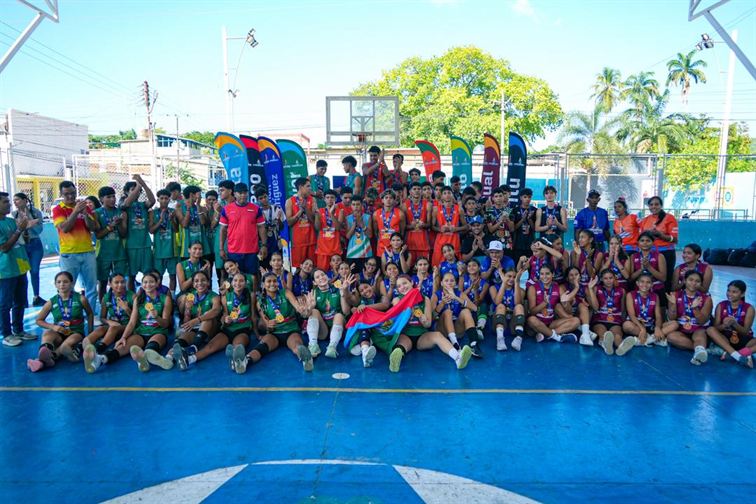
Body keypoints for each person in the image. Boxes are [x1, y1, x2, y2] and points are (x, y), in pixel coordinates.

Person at [388, 276, 472, 372]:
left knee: (437, 335)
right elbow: (397, 323)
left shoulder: (425, 299)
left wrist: (423, 319)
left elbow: (428, 325)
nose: (402, 287)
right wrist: (406, 317)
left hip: (422, 336)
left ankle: (458, 358)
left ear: (411, 282)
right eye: (399, 286)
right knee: (400, 347)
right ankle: (395, 361)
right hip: (405, 335)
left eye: (404, 283)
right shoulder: (397, 300)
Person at [28, 271, 94, 371]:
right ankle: (45, 351)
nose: (62, 284)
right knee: (47, 334)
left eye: (65, 282)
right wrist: (53, 327)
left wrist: (90, 332)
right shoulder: (51, 302)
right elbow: (39, 320)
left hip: (76, 332)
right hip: (59, 332)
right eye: (58, 282)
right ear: (55, 284)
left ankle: (43, 360)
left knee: (65, 345)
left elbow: (90, 314)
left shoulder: (81, 299)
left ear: (72, 284)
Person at [52, 181, 99, 312]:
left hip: (88, 252)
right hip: (69, 254)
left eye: (73, 193)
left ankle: (90, 314)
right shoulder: (58, 209)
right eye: (67, 194)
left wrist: (85, 214)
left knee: (91, 287)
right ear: (61, 194)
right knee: (67, 287)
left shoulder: (84, 207)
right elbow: (65, 228)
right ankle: (70, 315)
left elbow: (93, 227)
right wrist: (75, 211)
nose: (71, 196)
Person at [253, 272, 314, 371]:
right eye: (269, 281)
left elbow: (297, 307)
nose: (272, 283)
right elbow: (267, 324)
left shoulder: (286, 293)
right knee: (261, 347)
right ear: (263, 284)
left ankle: (306, 360)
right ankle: (244, 361)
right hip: (274, 333)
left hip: (291, 330)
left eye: (274, 281)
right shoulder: (260, 302)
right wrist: (269, 324)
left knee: (297, 346)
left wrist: (303, 309)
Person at [120, 271, 174, 372]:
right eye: (145, 282)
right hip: (141, 333)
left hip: (158, 332)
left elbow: (166, 324)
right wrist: (123, 337)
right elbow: (132, 322)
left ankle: (143, 359)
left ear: (157, 283)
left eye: (151, 282)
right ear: (142, 284)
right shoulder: (138, 299)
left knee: (150, 350)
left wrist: (156, 317)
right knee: (122, 347)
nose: (148, 284)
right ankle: (101, 359)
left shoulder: (165, 299)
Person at [81, 273, 134, 373]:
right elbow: (102, 318)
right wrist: (109, 322)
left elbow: (136, 319)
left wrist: (126, 309)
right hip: (113, 325)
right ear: (110, 283)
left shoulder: (132, 296)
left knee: (113, 328)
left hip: (127, 326)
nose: (120, 285)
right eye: (116, 282)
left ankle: (98, 349)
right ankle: (86, 348)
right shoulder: (107, 297)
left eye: (122, 282)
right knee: (100, 329)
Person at [171, 271, 222, 370]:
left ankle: (194, 347)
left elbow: (216, 310)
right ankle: (169, 358)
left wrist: (197, 320)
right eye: (196, 281)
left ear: (208, 282)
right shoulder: (190, 296)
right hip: (196, 331)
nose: (200, 283)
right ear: (193, 284)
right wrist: (187, 310)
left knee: (207, 318)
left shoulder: (214, 296)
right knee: (181, 339)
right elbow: (186, 321)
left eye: (203, 280)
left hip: (210, 330)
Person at [0, 192, 32, 347]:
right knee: (5, 303)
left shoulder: (11, 221)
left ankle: (19, 330)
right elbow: (5, 248)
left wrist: (25, 229)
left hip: (19, 266)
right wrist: (19, 230)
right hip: (5, 270)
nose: (9, 204)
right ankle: (6, 334)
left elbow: (24, 241)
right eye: (5, 202)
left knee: (20, 300)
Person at [662, 270, 712, 365]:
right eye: (691, 280)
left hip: (698, 328)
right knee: (671, 337)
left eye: (697, 281)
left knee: (699, 334)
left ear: (701, 284)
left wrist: (695, 309)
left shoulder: (706, 299)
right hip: (681, 329)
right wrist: (673, 304)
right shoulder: (675, 295)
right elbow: (672, 318)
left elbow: (702, 321)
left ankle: (700, 350)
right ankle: (700, 349)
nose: (693, 283)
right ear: (685, 280)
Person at [219, 183, 267, 275]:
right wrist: (221, 249)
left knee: (253, 277)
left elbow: (261, 227)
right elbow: (223, 230)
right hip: (234, 251)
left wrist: (264, 245)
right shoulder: (226, 209)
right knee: (236, 277)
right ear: (234, 194)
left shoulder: (256, 209)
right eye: (240, 193)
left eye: (245, 192)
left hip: (252, 251)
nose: (243, 195)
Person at [432, 271, 483, 358]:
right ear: (441, 283)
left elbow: (475, 308)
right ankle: (455, 345)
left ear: (455, 283)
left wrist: (456, 297)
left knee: (466, 311)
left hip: (457, 329)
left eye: (452, 281)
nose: (449, 283)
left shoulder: (459, 293)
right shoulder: (436, 295)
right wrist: (442, 304)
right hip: (442, 331)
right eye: (446, 280)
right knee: (448, 312)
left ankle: (474, 344)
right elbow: (432, 316)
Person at [304, 269, 351, 358]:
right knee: (314, 311)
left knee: (338, 315)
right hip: (323, 331)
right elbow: (307, 315)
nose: (321, 277)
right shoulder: (314, 293)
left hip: (339, 328)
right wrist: (311, 307)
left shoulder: (337, 288)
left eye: (323, 275)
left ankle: (332, 347)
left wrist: (343, 294)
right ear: (314, 282)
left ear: (327, 276)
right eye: (317, 277)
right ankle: (313, 345)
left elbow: (346, 312)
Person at [706, 280, 754, 368]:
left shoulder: (749, 308)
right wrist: (724, 325)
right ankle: (740, 355)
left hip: (744, 340)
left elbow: (745, 332)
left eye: (734, 292)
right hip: (725, 339)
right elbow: (716, 327)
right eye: (728, 290)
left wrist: (735, 324)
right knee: (710, 330)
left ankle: (734, 354)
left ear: (742, 294)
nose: (730, 294)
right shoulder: (721, 305)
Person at [526, 264, 579, 343]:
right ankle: (557, 337)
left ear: (553, 274)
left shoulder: (557, 287)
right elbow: (532, 312)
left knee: (576, 321)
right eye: (542, 274)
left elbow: (569, 312)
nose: (544, 276)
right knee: (531, 319)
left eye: (547, 273)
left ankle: (546, 334)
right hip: (538, 322)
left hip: (551, 323)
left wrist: (565, 303)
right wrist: (544, 303)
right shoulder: (533, 288)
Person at [587, 270, 635, 356]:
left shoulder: (621, 291)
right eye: (605, 278)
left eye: (610, 278)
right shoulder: (597, 289)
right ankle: (606, 346)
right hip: (600, 319)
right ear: (601, 279)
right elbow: (595, 307)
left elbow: (623, 309)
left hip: (615, 320)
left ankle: (621, 347)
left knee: (617, 336)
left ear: (614, 278)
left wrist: (622, 322)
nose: (608, 280)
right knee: (603, 334)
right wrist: (590, 289)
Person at [120, 175, 156, 291]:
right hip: (131, 246)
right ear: (126, 192)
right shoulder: (124, 205)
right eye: (133, 190)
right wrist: (138, 185)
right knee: (131, 275)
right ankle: (132, 297)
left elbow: (152, 201)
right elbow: (126, 203)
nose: (137, 192)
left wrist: (143, 184)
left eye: (139, 191)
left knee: (148, 274)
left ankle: (146, 297)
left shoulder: (143, 205)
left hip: (145, 245)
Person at [94, 186, 128, 302]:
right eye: (108, 197)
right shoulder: (97, 213)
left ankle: (122, 305)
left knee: (121, 282)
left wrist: (120, 224)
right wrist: (111, 226)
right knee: (103, 282)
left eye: (113, 196)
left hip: (119, 253)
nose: (112, 199)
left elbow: (123, 234)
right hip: (103, 254)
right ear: (101, 199)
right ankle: (104, 306)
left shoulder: (121, 212)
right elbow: (98, 235)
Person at [219, 273, 256, 373]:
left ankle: (235, 360)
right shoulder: (225, 297)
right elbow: (224, 314)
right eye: (235, 280)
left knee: (238, 346)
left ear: (245, 283)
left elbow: (253, 315)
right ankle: (190, 358)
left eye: (241, 281)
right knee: (210, 347)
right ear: (231, 283)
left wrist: (257, 334)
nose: (238, 283)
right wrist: (226, 319)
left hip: (243, 329)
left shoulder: (251, 295)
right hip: (228, 328)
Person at [639, 196, 678, 292]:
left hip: (666, 253)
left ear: (661, 205)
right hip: (650, 254)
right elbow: (641, 238)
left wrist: (661, 235)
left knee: (666, 279)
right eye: (651, 205)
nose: (654, 207)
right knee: (650, 278)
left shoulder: (669, 218)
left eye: (656, 204)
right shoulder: (645, 220)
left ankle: (666, 299)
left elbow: (675, 239)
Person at [12, 193, 45, 306]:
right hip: (22, 245)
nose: (15, 202)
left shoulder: (35, 212)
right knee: (22, 272)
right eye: (14, 200)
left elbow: (39, 230)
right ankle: (23, 300)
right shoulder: (14, 214)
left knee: (34, 271)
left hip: (35, 244)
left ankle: (36, 296)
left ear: (25, 200)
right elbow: (15, 231)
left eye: (17, 200)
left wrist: (30, 222)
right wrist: (26, 225)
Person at [490, 267, 527, 351]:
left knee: (519, 306)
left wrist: (517, 282)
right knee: (501, 306)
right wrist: (503, 283)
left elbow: (517, 303)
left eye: (514, 277)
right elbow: (497, 302)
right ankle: (500, 340)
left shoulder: (520, 290)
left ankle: (518, 338)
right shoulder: (493, 288)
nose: (512, 279)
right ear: (503, 276)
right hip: (498, 325)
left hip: (513, 326)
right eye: (509, 276)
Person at [622, 272, 663, 347]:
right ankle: (651, 339)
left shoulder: (655, 296)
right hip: (637, 326)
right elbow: (631, 315)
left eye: (648, 282)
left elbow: (658, 316)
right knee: (626, 325)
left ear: (652, 284)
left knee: (674, 324)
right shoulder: (630, 295)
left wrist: (657, 328)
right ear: (637, 283)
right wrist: (642, 328)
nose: (645, 284)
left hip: (651, 325)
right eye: (642, 282)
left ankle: (642, 340)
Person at [149, 189, 178, 292]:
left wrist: (172, 220)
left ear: (169, 199)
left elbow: (176, 230)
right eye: (162, 198)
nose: (164, 200)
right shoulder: (153, 212)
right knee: (158, 277)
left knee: (173, 276)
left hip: (171, 251)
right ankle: (159, 296)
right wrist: (160, 220)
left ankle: (172, 297)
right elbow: (151, 230)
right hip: (159, 251)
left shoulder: (173, 211)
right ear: (158, 199)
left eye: (166, 198)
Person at [432, 186, 466, 267]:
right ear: (441, 196)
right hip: (440, 242)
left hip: (454, 241)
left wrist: (456, 229)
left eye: (449, 193)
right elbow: (432, 226)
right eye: (444, 193)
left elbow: (466, 226)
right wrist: (440, 229)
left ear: (452, 195)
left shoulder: (459, 209)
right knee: (438, 267)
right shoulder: (436, 209)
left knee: (456, 268)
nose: (447, 195)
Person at [285, 177, 316, 268]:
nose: (310, 188)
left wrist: (306, 208)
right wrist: (300, 211)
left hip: (311, 240)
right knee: (299, 268)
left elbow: (314, 220)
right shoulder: (290, 201)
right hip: (298, 242)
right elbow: (289, 222)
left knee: (312, 268)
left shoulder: (312, 200)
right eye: (308, 186)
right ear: (300, 187)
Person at [629, 231, 667, 300]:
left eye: (648, 241)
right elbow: (630, 278)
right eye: (642, 240)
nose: (645, 243)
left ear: (652, 243)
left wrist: (649, 267)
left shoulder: (659, 256)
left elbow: (663, 278)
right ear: (638, 243)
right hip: (640, 290)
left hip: (657, 289)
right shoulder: (633, 256)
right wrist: (641, 269)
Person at [256, 186, 284, 269]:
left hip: (276, 242)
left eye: (265, 197)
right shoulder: (256, 212)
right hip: (261, 243)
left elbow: (282, 228)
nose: (264, 199)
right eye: (261, 198)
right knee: (263, 267)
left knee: (277, 266)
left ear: (268, 196)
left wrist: (279, 220)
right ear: (257, 200)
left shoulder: (277, 208)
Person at [175, 185, 206, 260]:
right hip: (186, 244)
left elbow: (203, 223)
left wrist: (198, 206)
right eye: (199, 195)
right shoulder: (179, 206)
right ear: (192, 195)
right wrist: (188, 209)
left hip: (200, 243)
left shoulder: (199, 207)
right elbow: (184, 225)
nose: (200, 197)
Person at [314, 189, 342, 271]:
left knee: (336, 272)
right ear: (324, 199)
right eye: (327, 197)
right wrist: (317, 216)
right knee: (322, 272)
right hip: (322, 249)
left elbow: (338, 228)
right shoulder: (320, 211)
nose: (330, 199)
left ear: (335, 199)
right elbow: (317, 228)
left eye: (332, 197)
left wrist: (332, 214)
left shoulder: (340, 211)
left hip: (335, 249)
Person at [403, 182, 430, 264]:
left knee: (424, 266)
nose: (417, 191)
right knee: (410, 267)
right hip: (410, 243)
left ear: (421, 191)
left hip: (423, 243)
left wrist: (423, 225)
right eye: (414, 189)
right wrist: (411, 226)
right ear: (410, 192)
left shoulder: (428, 204)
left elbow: (430, 225)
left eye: (419, 189)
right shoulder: (404, 205)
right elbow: (403, 227)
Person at [373, 189, 405, 258]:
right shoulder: (376, 214)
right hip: (381, 248)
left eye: (391, 198)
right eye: (386, 197)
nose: (388, 200)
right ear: (382, 200)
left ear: (394, 200)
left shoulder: (400, 214)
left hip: (395, 248)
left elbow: (402, 232)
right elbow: (375, 232)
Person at [345, 195, 372, 272]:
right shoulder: (348, 218)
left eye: (358, 204)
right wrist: (354, 225)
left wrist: (362, 224)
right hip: (352, 251)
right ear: (350, 206)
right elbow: (348, 236)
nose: (356, 207)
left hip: (365, 250)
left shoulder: (368, 217)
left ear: (362, 205)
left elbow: (370, 235)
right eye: (353, 204)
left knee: (365, 273)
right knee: (352, 274)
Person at [510, 188, 537, 261]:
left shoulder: (535, 210)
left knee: (530, 264)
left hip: (530, 243)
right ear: (521, 198)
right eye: (525, 197)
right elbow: (513, 228)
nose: (527, 199)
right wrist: (522, 219)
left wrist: (529, 219)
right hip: (518, 243)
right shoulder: (515, 210)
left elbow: (535, 229)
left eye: (529, 197)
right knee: (518, 264)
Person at [486, 187, 513, 252]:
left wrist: (507, 219)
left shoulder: (509, 210)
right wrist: (501, 221)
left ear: (503, 197)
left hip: (507, 243)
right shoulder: (488, 211)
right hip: (494, 242)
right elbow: (491, 230)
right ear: (493, 198)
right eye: (496, 196)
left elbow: (512, 229)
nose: (498, 198)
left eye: (500, 196)